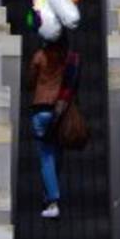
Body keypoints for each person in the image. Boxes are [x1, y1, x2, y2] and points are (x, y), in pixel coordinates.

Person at [28, 37, 80, 219]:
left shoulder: (40, 56)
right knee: (57, 156)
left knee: (46, 157)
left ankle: (52, 201)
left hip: (41, 110)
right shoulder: (66, 58)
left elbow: (30, 81)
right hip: (59, 112)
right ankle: (48, 197)